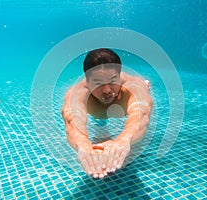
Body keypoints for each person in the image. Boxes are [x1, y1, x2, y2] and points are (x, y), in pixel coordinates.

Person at [62, 48, 153, 179]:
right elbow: (71, 121)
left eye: (112, 81)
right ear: (87, 82)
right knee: (99, 118)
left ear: (119, 77)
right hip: (97, 109)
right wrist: (83, 145)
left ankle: (145, 84)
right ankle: (101, 120)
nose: (106, 90)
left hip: (127, 96)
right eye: (98, 83)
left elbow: (141, 114)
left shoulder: (131, 87)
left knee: (142, 91)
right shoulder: (78, 93)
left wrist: (123, 140)